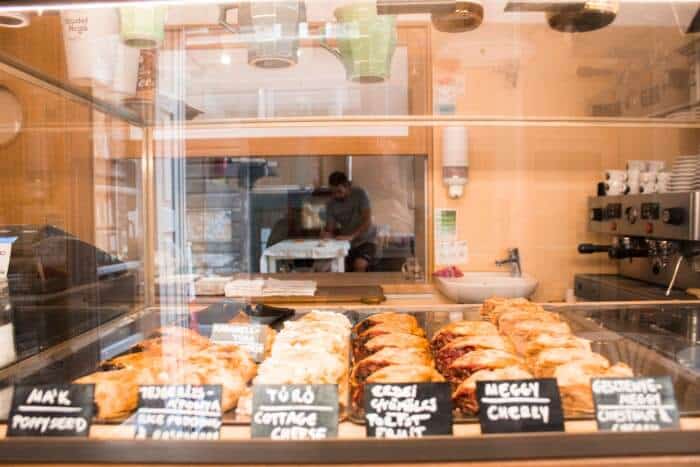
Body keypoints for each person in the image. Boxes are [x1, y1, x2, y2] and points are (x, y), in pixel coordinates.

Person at [322, 171, 377, 272]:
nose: (336, 196)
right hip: (346, 243)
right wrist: (326, 233)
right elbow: (330, 227)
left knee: (359, 265)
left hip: (366, 241)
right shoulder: (331, 203)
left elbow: (367, 220)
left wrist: (352, 236)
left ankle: (360, 288)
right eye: (333, 192)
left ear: (347, 186)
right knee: (335, 267)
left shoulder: (360, 194)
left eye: (339, 191)